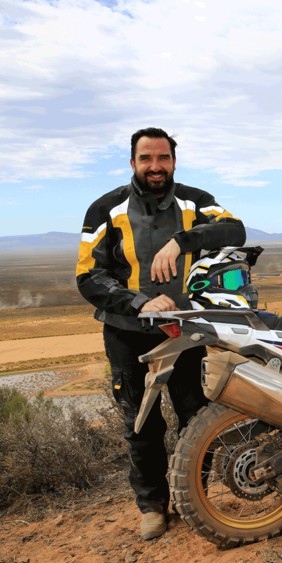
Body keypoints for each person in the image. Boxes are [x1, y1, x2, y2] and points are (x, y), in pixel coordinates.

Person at [76, 127, 246, 540]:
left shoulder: (194, 201)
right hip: (127, 331)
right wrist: (139, 302)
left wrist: (180, 242)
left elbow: (234, 231)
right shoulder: (106, 209)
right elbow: (88, 276)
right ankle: (152, 506)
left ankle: (195, 495)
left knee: (194, 416)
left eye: (163, 158)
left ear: (173, 160)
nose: (155, 167)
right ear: (132, 162)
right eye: (146, 159)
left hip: (185, 329)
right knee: (141, 421)